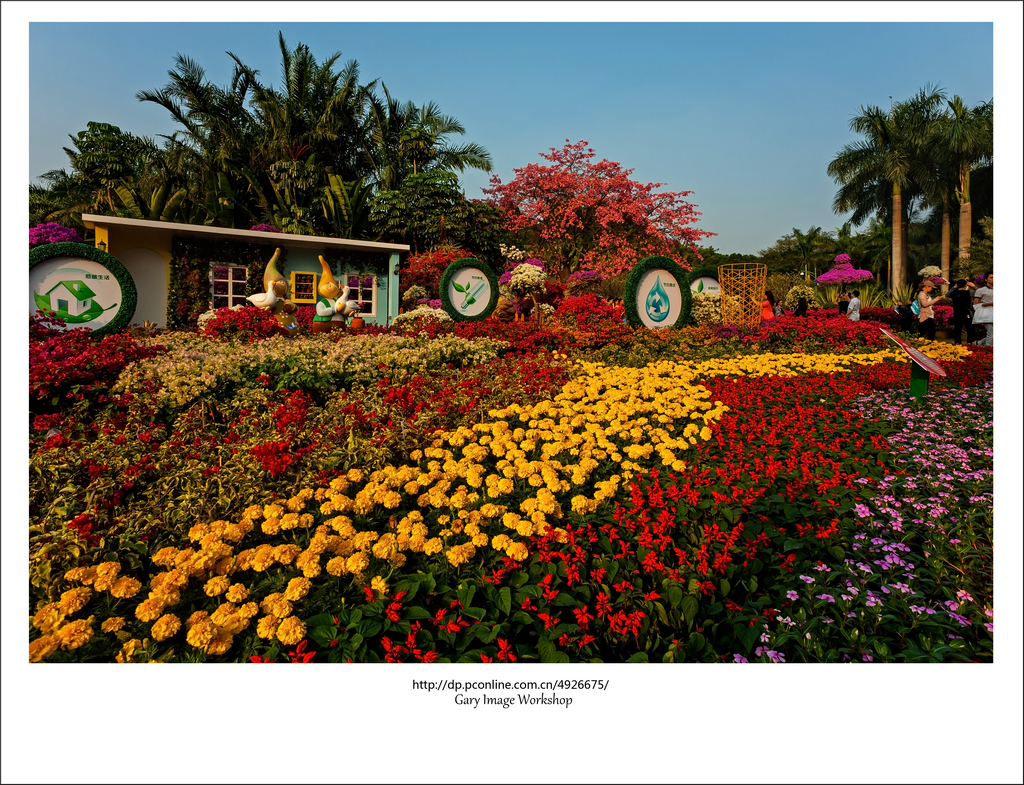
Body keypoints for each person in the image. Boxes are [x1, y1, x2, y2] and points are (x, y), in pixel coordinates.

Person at [948, 279, 976, 345]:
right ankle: (970, 342)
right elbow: (980, 292)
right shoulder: (969, 292)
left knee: (957, 329)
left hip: (957, 313)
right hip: (967, 312)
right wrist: (973, 286)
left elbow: (947, 294)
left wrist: (954, 287)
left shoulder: (953, 293)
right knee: (969, 328)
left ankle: (957, 342)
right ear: (966, 285)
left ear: (957, 285)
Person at [972, 271, 993, 345]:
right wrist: (990, 304)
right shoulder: (980, 290)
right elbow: (976, 304)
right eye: (991, 277)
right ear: (986, 279)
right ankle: (988, 349)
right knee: (991, 332)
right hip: (986, 314)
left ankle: (979, 343)